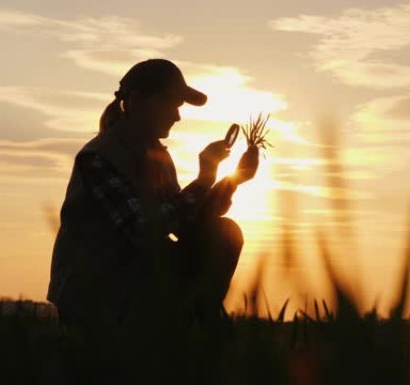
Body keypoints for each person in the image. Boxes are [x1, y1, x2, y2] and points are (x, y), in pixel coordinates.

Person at [47, 59, 259, 332]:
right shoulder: (98, 158)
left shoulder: (157, 156)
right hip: (97, 302)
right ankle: (195, 328)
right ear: (136, 101)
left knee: (224, 232)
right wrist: (205, 179)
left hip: (139, 287)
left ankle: (197, 325)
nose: (177, 116)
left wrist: (234, 180)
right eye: (171, 104)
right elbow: (142, 229)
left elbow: (186, 224)